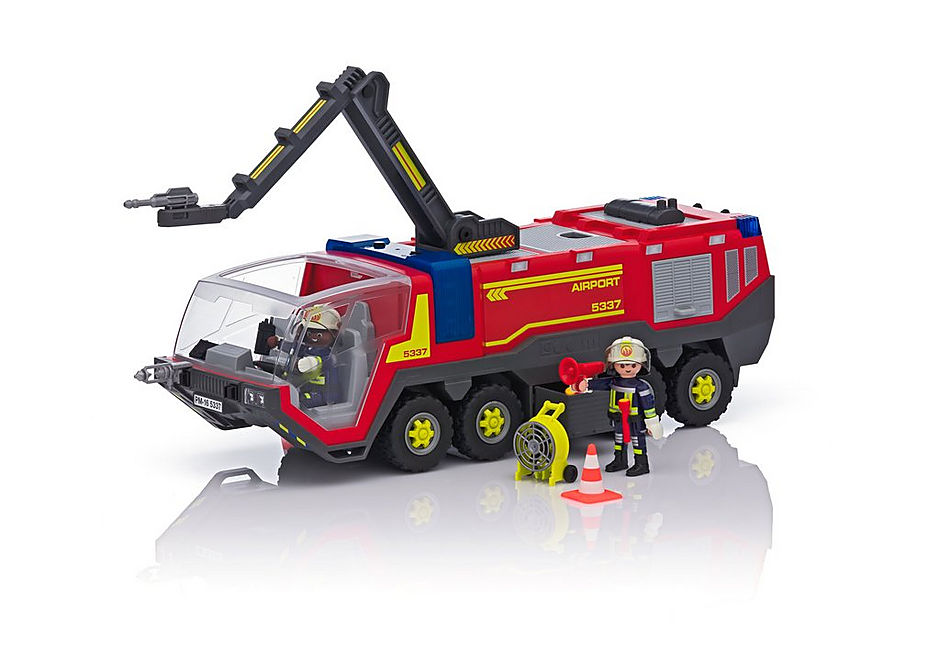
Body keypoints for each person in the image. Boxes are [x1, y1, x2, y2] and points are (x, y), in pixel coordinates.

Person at [575, 336, 663, 476]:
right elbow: (599, 384)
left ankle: (641, 464)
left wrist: (652, 423)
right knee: (619, 440)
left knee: (637, 441)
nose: (627, 368)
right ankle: (620, 460)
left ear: (641, 364)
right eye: (622, 365)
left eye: (632, 365)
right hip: (618, 419)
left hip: (635, 421)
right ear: (613, 365)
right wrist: (586, 384)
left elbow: (649, 407)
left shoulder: (641, 387)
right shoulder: (613, 382)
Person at [269, 306, 342, 408]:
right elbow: (295, 348)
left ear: (334, 333)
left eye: (319, 334)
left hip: (322, 395)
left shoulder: (329, 355)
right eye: (309, 333)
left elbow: (326, 361)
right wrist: (279, 343)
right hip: (303, 386)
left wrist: (313, 363)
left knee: (300, 402)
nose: (313, 337)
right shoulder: (308, 349)